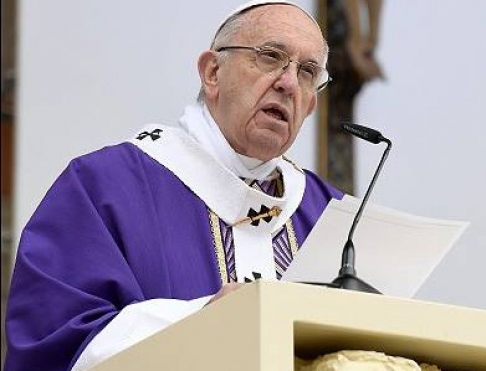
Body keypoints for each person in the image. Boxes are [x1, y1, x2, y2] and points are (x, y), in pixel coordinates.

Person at [4, 1, 342, 370]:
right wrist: (206, 319)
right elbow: (56, 342)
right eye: (270, 56)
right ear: (212, 72)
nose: (289, 83)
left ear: (311, 104)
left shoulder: (331, 216)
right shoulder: (102, 187)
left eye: (308, 72)